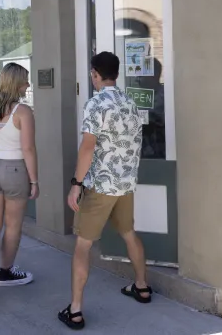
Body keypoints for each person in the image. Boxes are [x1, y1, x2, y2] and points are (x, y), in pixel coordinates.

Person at [59, 51, 151, 330]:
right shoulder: (130, 102)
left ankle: (75, 311)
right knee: (128, 233)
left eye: (92, 73)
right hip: (125, 185)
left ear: (95, 74)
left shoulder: (95, 104)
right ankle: (142, 287)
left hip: (100, 186)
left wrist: (76, 184)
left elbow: (88, 148)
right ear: (117, 74)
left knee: (83, 246)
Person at [0, 62, 39, 299]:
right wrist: (34, 181)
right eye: (25, 80)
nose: (28, 84)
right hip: (14, 170)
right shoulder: (22, 111)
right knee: (13, 225)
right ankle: (5, 273)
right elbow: (29, 149)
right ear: (16, 83)